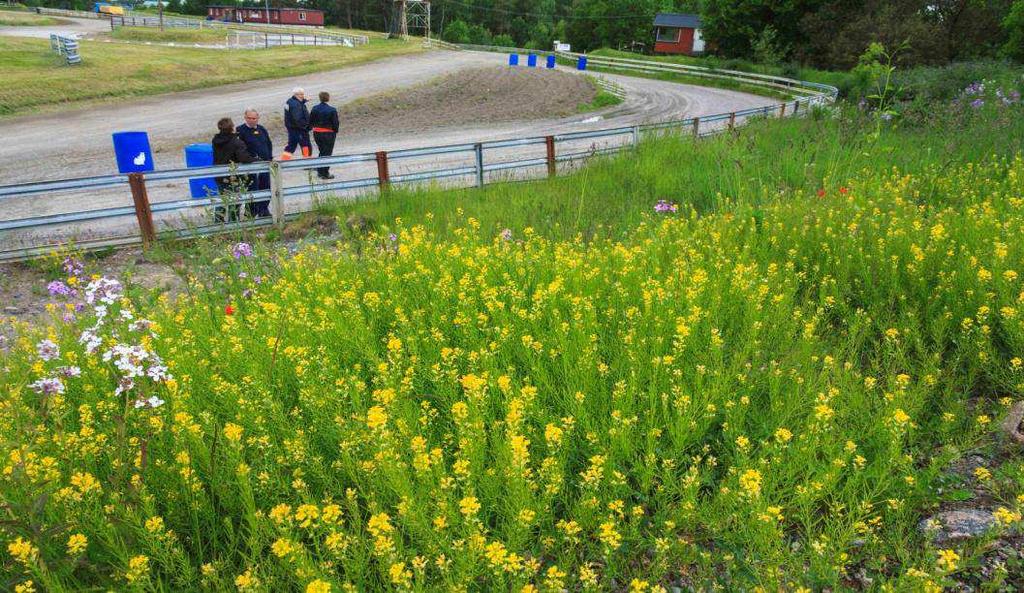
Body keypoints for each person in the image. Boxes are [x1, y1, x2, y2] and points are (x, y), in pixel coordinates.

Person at [212, 117, 255, 222]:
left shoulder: (215, 141)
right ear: (232, 128)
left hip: (219, 174)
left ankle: (218, 221)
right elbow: (243, 158)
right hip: (233, 176)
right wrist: (255, 159)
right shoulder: (236, 142)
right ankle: (233, 221)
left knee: (222, 199)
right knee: (235, 200)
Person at [236, 107, 272, 218]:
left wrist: (269, 157)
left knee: (266, 187)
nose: (252, 120)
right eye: (250, 118)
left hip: (265, 164)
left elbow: (268, 143)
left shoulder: (262, 129)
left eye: (254, 118)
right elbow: (240, 149)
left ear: (258, 118)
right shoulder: (240, 130)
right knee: (253, 189)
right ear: (245, 118)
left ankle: (263, 210)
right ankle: (250, 212)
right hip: (250, 166)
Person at [309, 91, 340, 180]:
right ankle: (324, 173)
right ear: (328, 98)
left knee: (322, 151)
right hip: (328, 133)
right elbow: (335, 123)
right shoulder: (332, 110)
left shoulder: (314, 108)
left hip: (317, 132)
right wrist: (335, 131)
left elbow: (310, 121)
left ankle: (320, 170)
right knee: (327, 153)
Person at [282, 87, 311, 160]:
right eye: (301, 94)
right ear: (296, 95)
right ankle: (307, 162)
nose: (303, 96)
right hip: (299, 129)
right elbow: (298, 118)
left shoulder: (290, 101)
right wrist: (306, 127)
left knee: (291, 146)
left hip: (292, 128)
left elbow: (297, 105)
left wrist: (304, 101)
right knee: (306, 145)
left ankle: (284, 161)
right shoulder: (296, 105)